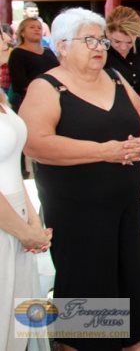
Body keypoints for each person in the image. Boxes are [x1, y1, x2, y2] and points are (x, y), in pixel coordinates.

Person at [20, 7, 140, 350]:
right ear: (63, 46)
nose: (99, 47)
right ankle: (81, 343)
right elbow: (35, 144)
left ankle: (128, 338)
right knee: (87, 270)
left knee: (126, 265)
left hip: (124, 197)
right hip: (77, 204)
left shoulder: (114, 76)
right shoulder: (47, 86)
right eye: (89, 40)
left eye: (102, 40)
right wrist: (103, 151)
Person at [0, 58, 52, 351]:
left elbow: (11, 163)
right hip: (6, 222)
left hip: (18, 218)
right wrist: (23, 230)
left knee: (20, 313)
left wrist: (33, 221)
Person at [8, 17, 60, 112]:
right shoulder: (17, 54)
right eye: (32, 27)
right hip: (28, 101)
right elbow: (20, 82)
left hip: (54, 98)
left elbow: (59, 72)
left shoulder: (48, 52)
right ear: (22, 33)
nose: (37, 29)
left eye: (39, 28)